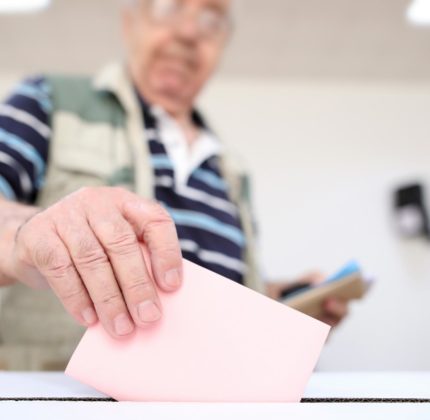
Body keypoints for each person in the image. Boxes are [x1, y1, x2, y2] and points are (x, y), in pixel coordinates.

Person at [0, 0, 347, 370]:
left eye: (211, 19)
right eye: (169, 7)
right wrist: (27, 234)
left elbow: (212, 295)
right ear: (129, 23)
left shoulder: (231, 171)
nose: (189, 32)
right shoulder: (49, 100)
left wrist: (284, 304)